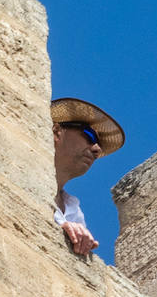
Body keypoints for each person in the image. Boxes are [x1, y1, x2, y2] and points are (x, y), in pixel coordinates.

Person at [50, 97, 125, 255]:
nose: (97, 149)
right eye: (89, 135)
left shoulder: (75, 212)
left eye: (100, 144)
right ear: (57, 132)